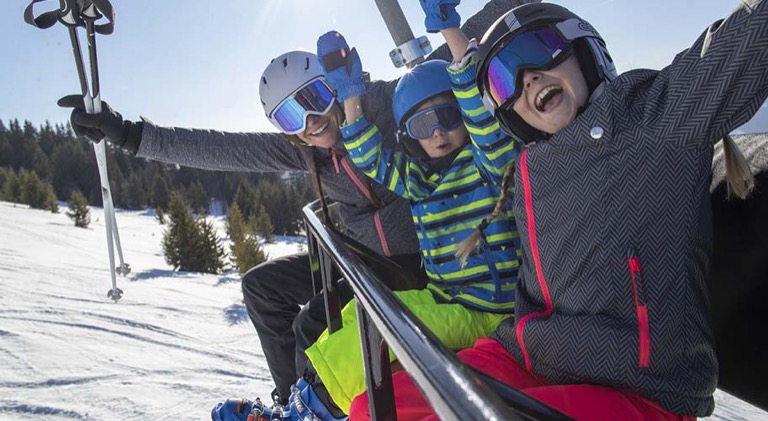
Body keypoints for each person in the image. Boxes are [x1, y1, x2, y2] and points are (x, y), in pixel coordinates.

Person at [57, 1, 528, 409]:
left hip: (422, 258)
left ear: (335, 86)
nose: (309, 120)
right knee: (262, 287)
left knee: (313, 327)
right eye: (289, 115)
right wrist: (129, 135)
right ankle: (290, 399)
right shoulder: (302, 149)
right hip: (359, 257)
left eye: (314, 97)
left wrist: (470, 15)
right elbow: (222, 150)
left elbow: (450, 60)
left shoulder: (379, 103)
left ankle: (323, 405)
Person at [350, 1, 768, 420]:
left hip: (632, 384)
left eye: (539, 49)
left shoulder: (653, 117)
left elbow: (749, 39)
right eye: (502, 79)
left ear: (586, 52)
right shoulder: (525, 163)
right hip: (526, 354)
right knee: (372, 405)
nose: (525, 78)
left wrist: (453, 39)